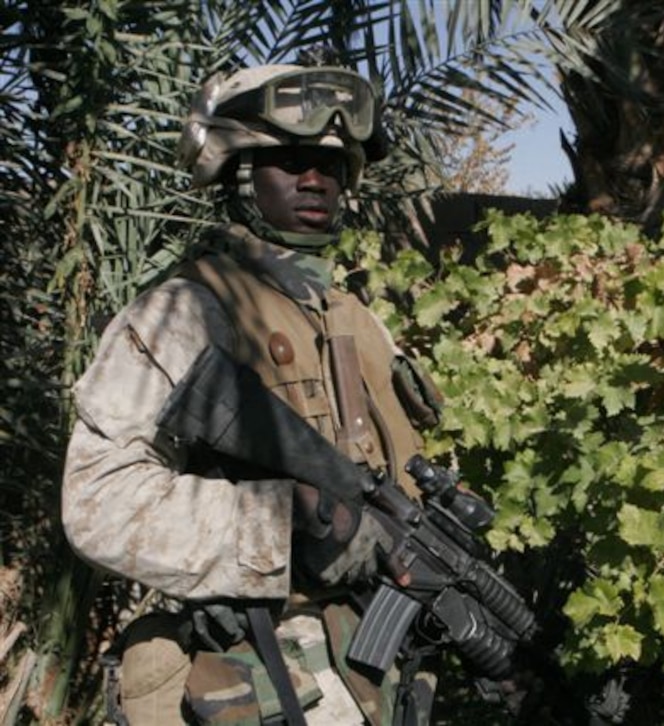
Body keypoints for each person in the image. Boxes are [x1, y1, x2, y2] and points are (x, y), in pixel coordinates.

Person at [62, 58, 447, 725]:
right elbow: (98, 503)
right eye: (289, 160)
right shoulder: (185, 313)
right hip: (256, 678)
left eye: (332, 165)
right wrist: (289, 525)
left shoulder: (359, 317)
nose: (313, 179)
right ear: (238, 172)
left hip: (370, 676)